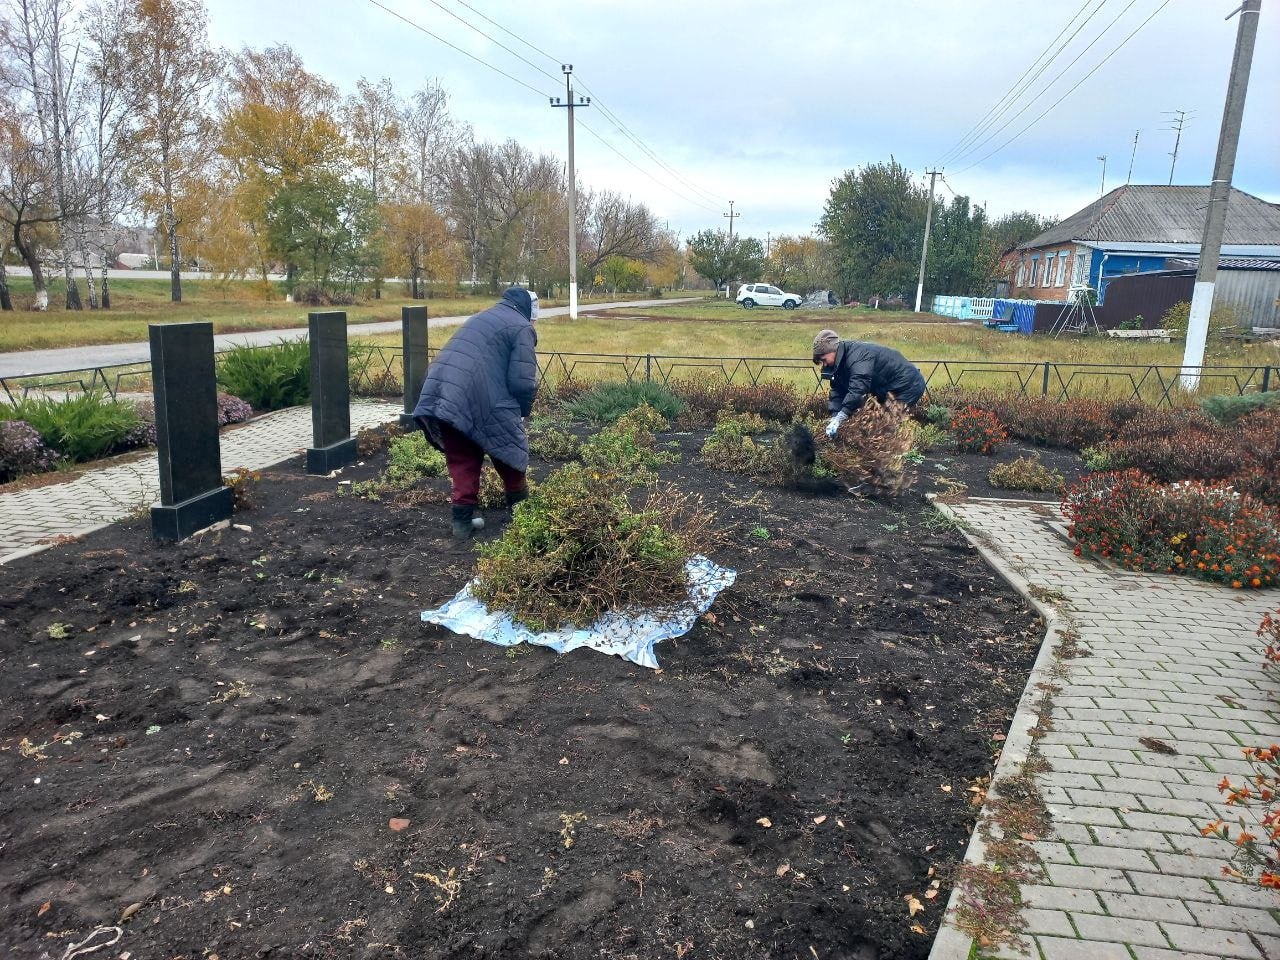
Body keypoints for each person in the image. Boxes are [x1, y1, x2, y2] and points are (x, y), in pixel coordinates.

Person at [413, 288, 539, 539]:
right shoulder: (521, 327)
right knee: (509, 451)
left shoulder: (485, 315)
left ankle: (462, 524)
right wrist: (522, 411)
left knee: (463, 457)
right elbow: (522, 382)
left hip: (443, 391)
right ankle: (524, 516)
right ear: (528, 309)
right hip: (480, 396)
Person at [811, 329, 927, 438]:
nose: (824, 365)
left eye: (824, 360)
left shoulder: (858, 356)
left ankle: (897, 454)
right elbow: (837, 392)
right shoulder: (838, 365)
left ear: (833, 350)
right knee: (871, 423)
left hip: (908, 385)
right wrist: (835, 417)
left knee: (886, 426)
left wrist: (842, 416)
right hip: (885, 388)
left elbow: (858, 389)